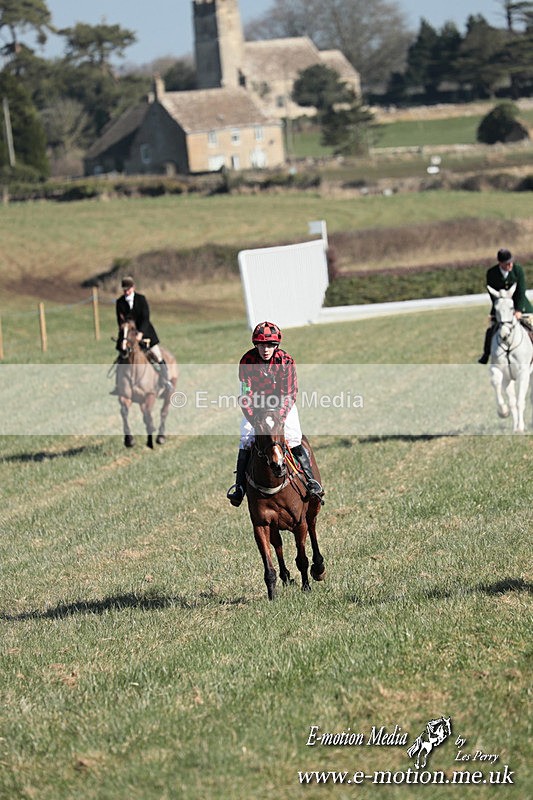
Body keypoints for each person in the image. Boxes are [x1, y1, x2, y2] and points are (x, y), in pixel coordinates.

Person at [226, 321, 324, 507]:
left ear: (276, 345)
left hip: (282, 405)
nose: (265, 349)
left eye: (270, 345)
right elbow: (245, 395)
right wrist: (255, 419)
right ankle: (239, 487)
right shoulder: (247, 361)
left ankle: (311, 482)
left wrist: (278, 417)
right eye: (261, 344)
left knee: (294, 437)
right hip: (257, 406)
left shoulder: (285, 361)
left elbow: (290, 393)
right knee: (246, 438)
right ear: (256, 345)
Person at [111, 276, 172, 393]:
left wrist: (141, 333)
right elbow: (120, 320)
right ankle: (119, 385)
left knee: (157, 355)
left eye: (128, 289)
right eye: (124, 290)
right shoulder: (120, 302)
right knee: (121, 358)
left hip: (146, 333)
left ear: (133, 288)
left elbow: (145, 318)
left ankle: (165, 380)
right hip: (127, 335)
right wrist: (123, 338)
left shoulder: (141, 299)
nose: (126, 292)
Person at [478, 248, 533, 364]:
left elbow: (521, 291)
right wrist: (501, 310)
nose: (510, 265)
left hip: (520, 306)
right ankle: (486, 353)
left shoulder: (518, 270)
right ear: (500, 263)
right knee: (491, 330)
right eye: (507, 263)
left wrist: (518, 310)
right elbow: (493, 295)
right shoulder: (491, 273)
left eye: (511, 262)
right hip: (501, 308)